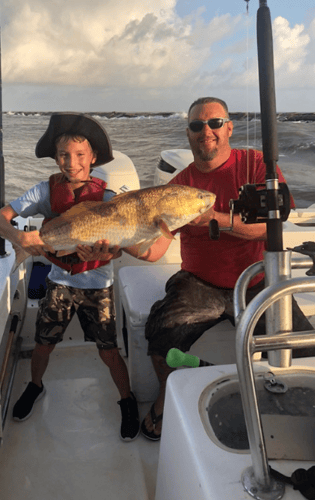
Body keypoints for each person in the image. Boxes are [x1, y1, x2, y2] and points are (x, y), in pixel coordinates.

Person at [122, 96, 314, 441]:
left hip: (257, 278)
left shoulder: (255, 164)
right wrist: (116, 243)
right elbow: (156, 249)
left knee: (302, 350)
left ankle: (277, 403)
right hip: (199, 283)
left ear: (229, 127)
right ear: (188, 133)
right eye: (197, 125)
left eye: (214, 123)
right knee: (160, 338)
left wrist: (215, 219)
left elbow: (273, 225)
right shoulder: (177, 186)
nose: (205, 131)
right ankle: (169, 400)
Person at [0, 112, 140, 441]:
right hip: (59, 281)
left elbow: (119, 247)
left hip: (99, 285)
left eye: (80, 155)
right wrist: (20, 239)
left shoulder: (109, 198)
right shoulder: (45, 191)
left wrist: (105, 253)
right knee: (43, 344)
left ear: (93, 157)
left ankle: (126, 401)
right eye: (63, 155)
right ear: (55, 158)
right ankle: (35, 386)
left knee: (109, 351)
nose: (71, 163)